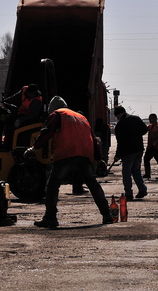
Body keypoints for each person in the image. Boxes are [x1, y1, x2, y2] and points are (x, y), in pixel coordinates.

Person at [23, 96, 112, 228]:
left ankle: (50, 218)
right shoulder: (82, 117)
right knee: (93, 184)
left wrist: (34, 148)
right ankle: (107, 215)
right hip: (84, 155)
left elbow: (47, 132)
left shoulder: (57, 114)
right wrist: (99, 159)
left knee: (53, 186)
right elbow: (93, 139)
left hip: (67, 153)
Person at [113, 106, 148, 201]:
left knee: (126, 173)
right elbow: (145, 130)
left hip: (128, 152)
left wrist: (117, 155)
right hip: (139, 149)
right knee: (136, 171)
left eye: (117, 116)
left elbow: (120, 142)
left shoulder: (120, 125)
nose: (117, 118)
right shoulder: (136, 119)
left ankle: (128, 193)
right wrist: (136, 135)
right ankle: (142, 189)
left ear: (119, 114)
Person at [3, 84, 43, 148]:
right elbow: (15, 97)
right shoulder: (24, 89)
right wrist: (5, 101)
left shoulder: (37, 100)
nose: (31, 95)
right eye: (30, 93)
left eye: (33, 93)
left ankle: (12, 145)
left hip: (29, 118)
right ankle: (7, 142)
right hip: (20, 113)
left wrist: (20, 120)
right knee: (9, 121)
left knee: (14, 126)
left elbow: (33, 114)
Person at [143, 113, 158, 180]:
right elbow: (144, 130)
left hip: (157, 147)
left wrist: (155, 142)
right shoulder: (150, 126)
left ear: (154, 119)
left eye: (150, 118)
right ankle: (147, 174)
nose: (149, 120)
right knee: (146, 159)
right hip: (150, 147)